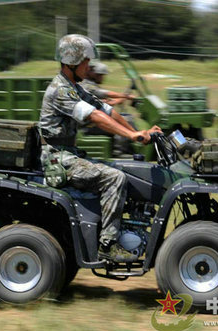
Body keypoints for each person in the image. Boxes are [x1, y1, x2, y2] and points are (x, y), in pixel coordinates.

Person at [39, 34, 161, 262]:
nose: (89, 66)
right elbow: (94, 116)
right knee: (114, 178)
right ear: (72, 61)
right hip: (58, 159)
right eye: (86, 61)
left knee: (124, 168)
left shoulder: (74, 87)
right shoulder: (60, 90)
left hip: (69, 155)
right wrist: (131, 134)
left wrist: (139, 134)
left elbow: (105, 109)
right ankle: (108, 244)